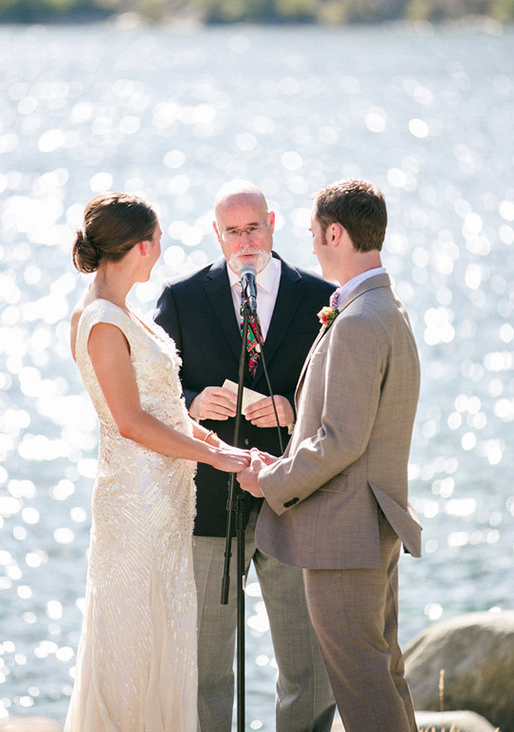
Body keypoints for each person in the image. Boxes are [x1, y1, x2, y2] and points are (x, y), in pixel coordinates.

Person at [238, 179, 422, 732]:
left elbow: (341, 440)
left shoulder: (360, 321)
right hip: (373, 525)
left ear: (335, 233)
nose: (313, 246)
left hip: (345, 535)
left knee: (363, 684)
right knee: (382, 674)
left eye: (315, 235)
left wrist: (270, 479)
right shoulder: (386, 308)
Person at [154, 181, 336, 732]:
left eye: (253, 227)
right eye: (232, 231)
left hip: (294, 501)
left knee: (306, 670)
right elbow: (154, 392)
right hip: (209, 507)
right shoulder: (182, 298)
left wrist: (292, 407)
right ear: (217, 233)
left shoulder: (321, 297)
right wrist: (191, 400)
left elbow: (340, 396)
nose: (244, 240)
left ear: (273, 223)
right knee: (206, 670)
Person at [65, 193, 249, 732]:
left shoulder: (122, 311)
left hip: (167, 502)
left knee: (167, 633)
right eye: (160, 239)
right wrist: (212, 459)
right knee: (134, 640)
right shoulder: (101, 322)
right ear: (142, 247)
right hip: (138, 506)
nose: (162, 249)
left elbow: (163, 409)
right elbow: (130, 422)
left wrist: (220, 448)